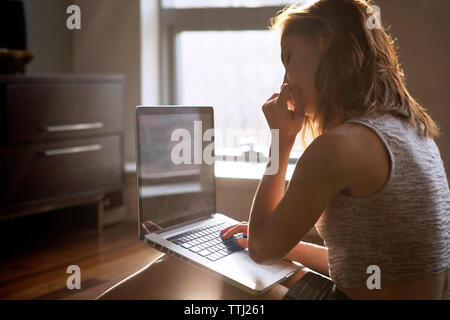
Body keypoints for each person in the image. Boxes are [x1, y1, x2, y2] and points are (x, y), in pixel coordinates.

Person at [99, 0, 449, 300]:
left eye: (289, 57)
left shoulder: (339, 147)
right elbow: (356, 263)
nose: (286, 81)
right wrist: (276, 246)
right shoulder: (410, 130)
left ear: (325, 43)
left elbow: (263, 252)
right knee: (247, 265)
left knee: (182, 270)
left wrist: (281, 141)